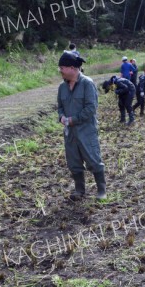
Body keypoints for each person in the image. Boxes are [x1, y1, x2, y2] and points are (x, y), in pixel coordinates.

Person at [57, 51, 106, 201]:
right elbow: (59, 107)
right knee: (73, 161)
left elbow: (91, 108)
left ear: (72, 68)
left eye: (62, 68)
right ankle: (79, 190)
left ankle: (101, 190)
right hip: (70, 132)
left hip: (86, 131)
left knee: (93, 159)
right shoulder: (62, 87)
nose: (60, 71)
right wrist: (62, 117)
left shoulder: (87, 84)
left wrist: (74, 119)